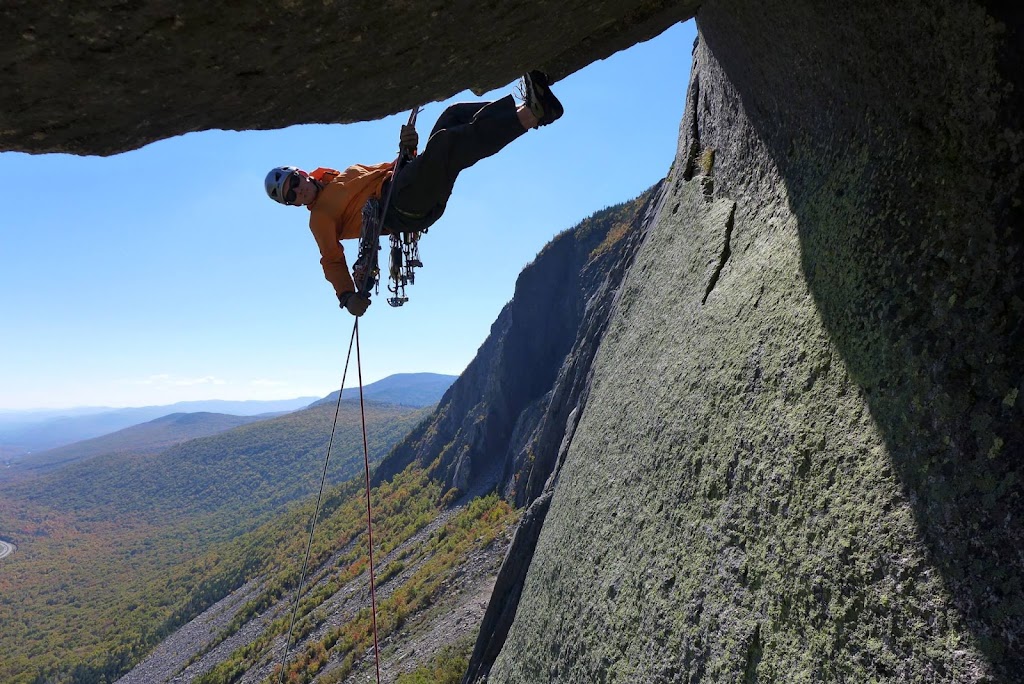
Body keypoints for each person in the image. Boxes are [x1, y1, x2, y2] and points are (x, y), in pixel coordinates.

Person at [264, 71, 564, 317]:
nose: (299, 191)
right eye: (291, 196)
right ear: (293, 204)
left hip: (405, 190)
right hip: (399, 207)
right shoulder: (319, 218)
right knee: (447, 146)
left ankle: (530, 107)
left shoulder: (345, 174)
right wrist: (346, 296)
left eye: (295, 182)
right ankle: (532, 114)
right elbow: (331, 260)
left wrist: (408, 149)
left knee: (451, 117)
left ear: (301, 173)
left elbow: (398, 170)